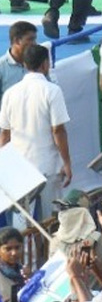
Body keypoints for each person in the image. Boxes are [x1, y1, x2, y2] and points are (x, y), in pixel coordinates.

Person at [0, 44, 70, 217]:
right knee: (52, 220)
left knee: (23, 224)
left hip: (20, 168)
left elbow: (4, 134)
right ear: (45, 64)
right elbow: (58, 131)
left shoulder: (10, 93)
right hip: (48, 166)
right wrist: (67, 163)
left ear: (24, 64)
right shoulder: (52, 91)